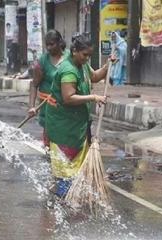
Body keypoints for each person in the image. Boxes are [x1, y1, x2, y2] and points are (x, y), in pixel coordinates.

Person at [45, 35, 109, 198]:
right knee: (65, 170)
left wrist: (108, 66)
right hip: (64, 128)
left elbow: (94, 77)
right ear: (74, 51)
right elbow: (68, 98)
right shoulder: (68, 70)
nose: (87, 58)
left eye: (89, 55)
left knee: (74, 170)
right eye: (84, 55)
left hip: (77, 125)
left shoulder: (82, 65)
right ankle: (61, 202)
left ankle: (68, 198)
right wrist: (94, 98)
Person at [27, 30, 68, 149]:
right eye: (47, 45)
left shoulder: (70, 58)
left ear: (59, 43)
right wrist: (31, 106)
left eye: (52, 44)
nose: (49, 48)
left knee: (66, 145)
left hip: (66, 108)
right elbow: (34, 85)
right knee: (50, 146)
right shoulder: (43, 61)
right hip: (48, 109)